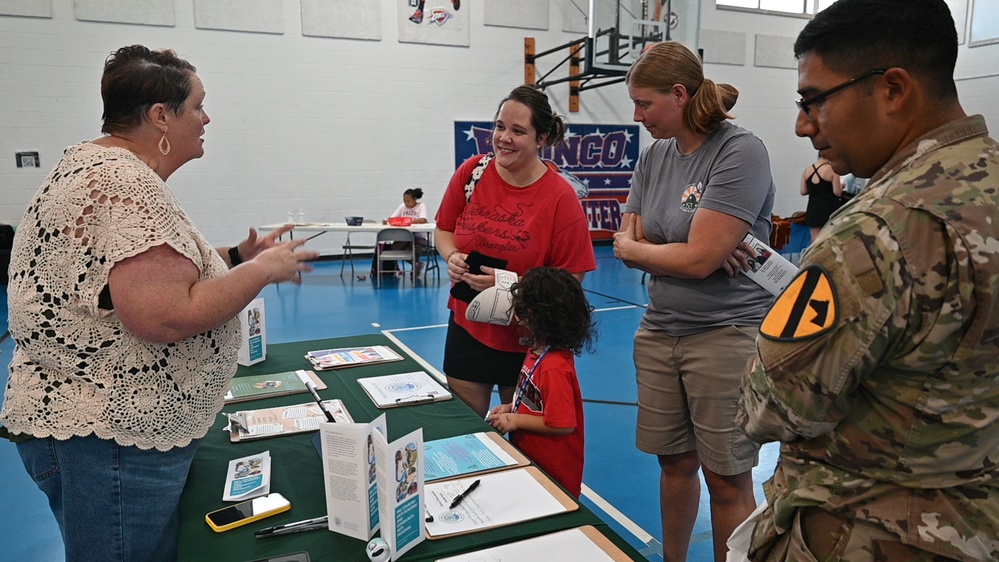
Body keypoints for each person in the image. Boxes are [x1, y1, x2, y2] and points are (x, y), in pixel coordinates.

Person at [0, 45, 318, 562]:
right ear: (160, 116)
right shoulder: (125, 183)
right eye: (197, 105)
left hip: (91, 429)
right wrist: (261, 271)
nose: (206, 118)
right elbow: (163, 314)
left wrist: (237, 256)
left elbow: (131, 274)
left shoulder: (97, 167)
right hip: (108, 439)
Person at [737, 1, 999, 560]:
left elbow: (773, 404)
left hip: (865, 530)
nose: (803, 124)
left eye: (814, 100)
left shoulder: (879, 231)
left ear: (893, 90)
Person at [611, 41, 776, 562]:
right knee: (674, 464)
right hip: (661, 329)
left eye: (644, 104)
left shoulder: (739, 151)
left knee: (727, 479)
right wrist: (680, 252)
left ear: (679, 95)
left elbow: (697, 259)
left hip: (726, 334)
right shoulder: (655, 156)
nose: (637, 116)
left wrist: (668, 252)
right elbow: (628, 241)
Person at [434, 85, 596, 419]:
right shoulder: (473, 172)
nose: (504, 138)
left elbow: (572, 278)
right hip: (468, 326)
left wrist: (510, 285)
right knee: (466, 429)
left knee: (519, 435)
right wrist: (451, 256)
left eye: (518, 131)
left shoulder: (560, 198)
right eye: (500, 127)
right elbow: (444, 229)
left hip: (527, 337)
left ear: (541, 139)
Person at [486, 266, 596, 498]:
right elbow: (536, 401)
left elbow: (563, 424)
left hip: (553, 474)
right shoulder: (536, 351)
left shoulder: (553, 367)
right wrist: (511, 408)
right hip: (532, 461)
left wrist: (516, 420)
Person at [382, 187, 429, 276]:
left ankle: (415, 267)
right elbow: (392, 218)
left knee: (416, 248)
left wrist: (407, 221)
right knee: (395, 247)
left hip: (419, 236)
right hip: (405, 236)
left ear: (415, 199)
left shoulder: (421, 206)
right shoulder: (402, 207)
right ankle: (416, 264)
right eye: (405, 201)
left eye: (408, 201)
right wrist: (387, 221)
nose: (406, 203)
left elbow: (423, 219)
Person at [800, 154, 844, 243]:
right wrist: (841, 186)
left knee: (815, 239)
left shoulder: (807, 170)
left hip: (813, 207)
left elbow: (803, 191)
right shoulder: (831, 170)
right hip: (829, 207)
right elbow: (837, 192)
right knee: (829, 236)